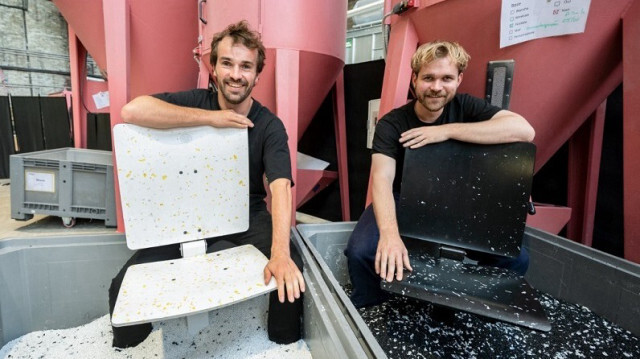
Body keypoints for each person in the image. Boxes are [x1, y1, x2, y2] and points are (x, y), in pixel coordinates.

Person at [108, 20, 305, 347]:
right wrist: (211, 119)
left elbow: (281, 187)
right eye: (227, 63)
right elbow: (132, 110)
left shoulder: (270, 126)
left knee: (292, 268)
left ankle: (284, 341)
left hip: (245, 214)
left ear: (257, 74)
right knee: (122, 287)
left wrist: (280, 254)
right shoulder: (198, 102)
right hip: (186, 215)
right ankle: (131, 347)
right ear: (213, 67)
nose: (236, 74)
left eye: (246, 66)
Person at [344, 40, 535, 308]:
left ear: (459, 79)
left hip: (457, 201)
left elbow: (524, 130)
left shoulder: (467, 108)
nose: (436, 87)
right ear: (414, 79)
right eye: (428, 78)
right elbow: (382, 179)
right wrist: (389, 235)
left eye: (446, 78)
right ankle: (373, 306)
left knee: (516, 260)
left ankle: (480, 309)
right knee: (361, 251)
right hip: (404, 197)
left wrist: (444, 131)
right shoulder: (392, 123)